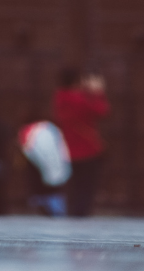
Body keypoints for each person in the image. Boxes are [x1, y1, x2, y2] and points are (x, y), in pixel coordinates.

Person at [52, 67, 109, 217]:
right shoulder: (78, 99)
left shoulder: (60, 97)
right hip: (88, 149)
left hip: (68, 148)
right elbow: (102, 111)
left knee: (74, 185)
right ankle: (81, 214)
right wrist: (97, 92)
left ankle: (72, 212)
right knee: (87, 186)